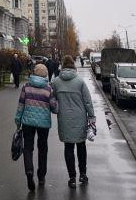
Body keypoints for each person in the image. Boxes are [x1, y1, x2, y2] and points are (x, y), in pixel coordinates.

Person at [14, 63, 58, 191]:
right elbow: (54, 108)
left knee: (28, 148)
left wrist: (18, 121)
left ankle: (29, 171)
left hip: (27, 123)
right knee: (43, 148)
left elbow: (21, 105)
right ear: (45, 74)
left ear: (34, 72)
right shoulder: (48, 89)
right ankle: (41, 176)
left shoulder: (26, 87)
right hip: (43, 124)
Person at [53, 56, 95, 187]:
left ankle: (72, 178)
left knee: (68, 147)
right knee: (81, 146)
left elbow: (52, 100)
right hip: (80, 118)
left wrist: (57, 109)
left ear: (62, 66)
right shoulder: (80, 82)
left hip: (64, 118)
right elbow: (87, 101)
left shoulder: (56, 82)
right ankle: (83, 174)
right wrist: (91, 117)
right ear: (73, 66)